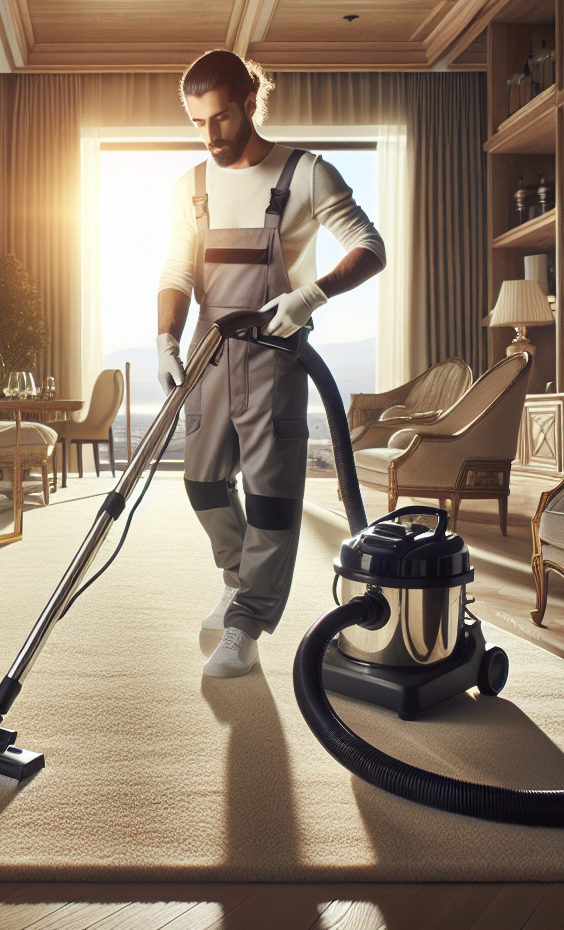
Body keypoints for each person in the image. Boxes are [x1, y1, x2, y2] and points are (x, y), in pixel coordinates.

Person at [157, 50, 385, 678]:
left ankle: (247, 623)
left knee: (270, 498)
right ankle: (238, 580)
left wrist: (310, 294)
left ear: (251, 103)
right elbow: (178, 271)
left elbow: (371, 249)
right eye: (199, 122)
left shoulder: (307, 174)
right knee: (201, 483)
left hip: (276, 354)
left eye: (223, 118)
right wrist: (164, 339)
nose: (211, 136)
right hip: (207, 351)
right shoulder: (192, 185)